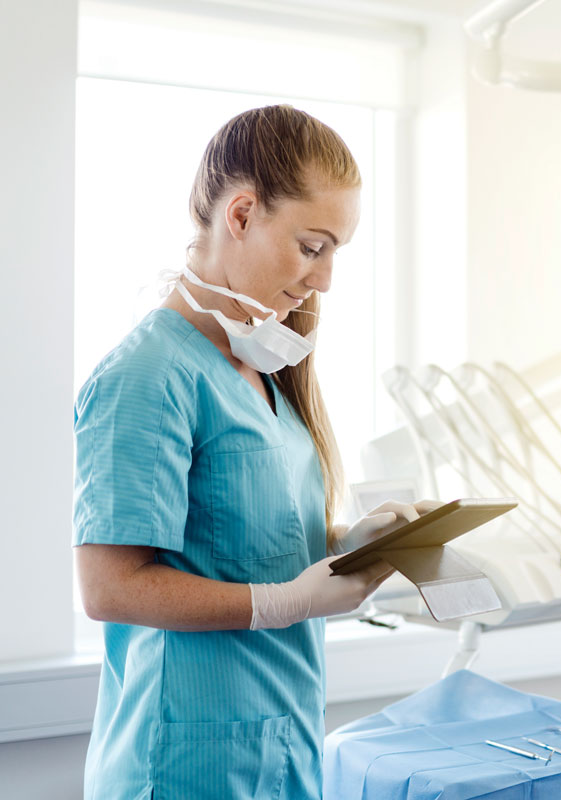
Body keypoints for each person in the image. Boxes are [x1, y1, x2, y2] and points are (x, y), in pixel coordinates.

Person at [73, 104, 428, 799]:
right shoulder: (147, 378)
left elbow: (248, 540)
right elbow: (109, 587)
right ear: (241, 214)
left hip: (276, 742)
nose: (323, 280)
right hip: (182, 763)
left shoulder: (264, 371)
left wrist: (352, 543)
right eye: (312, 246)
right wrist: (280, 603)